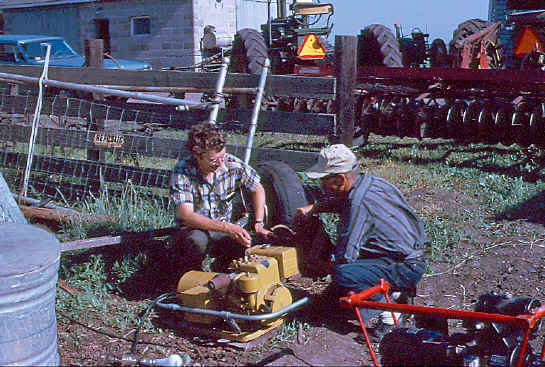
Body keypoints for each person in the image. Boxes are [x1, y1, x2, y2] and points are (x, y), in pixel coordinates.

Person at [295, 144, 426, 338]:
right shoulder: (370, 182)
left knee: (343, 273)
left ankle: (392, 309)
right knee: (336, 292)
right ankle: (387, 289)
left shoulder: (358, 204)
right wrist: (315, 208)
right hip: (410, 253)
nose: (322, 185)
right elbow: (342, 202)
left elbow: (346, 255)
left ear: (340, 179)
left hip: (405, 266)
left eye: (324, 180)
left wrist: (320, 266)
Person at [170, 122, 272, 271]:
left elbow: (258, 188)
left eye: (222, 156)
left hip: (224, 229)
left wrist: (258, 222)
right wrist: (228, 227)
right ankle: (189, 281)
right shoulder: (182, 171)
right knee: (195, 242)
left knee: (250, 245)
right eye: (213, 160)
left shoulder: (232, 164)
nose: (219, 163)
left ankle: (226, 273)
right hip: (196, 229)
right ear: (196, 154)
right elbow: (186, 216)